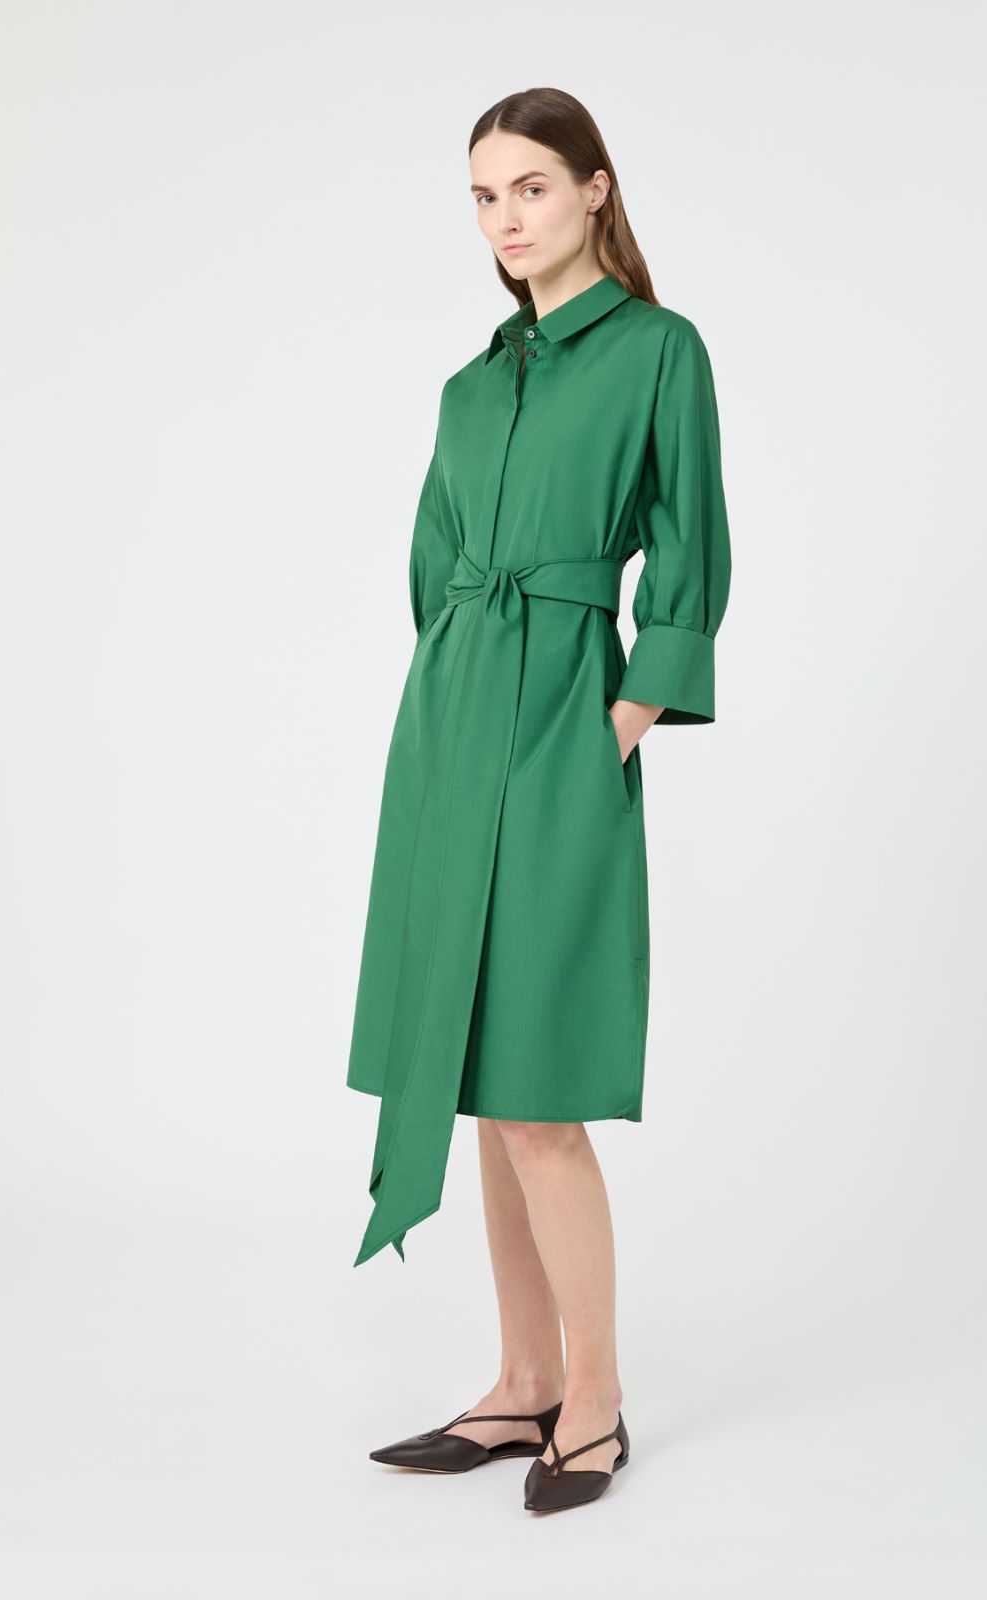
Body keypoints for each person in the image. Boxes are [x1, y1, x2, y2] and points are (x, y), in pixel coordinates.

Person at [346, 86, 732, 1513]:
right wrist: (451, 700)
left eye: (530, 188)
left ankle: (597, 1399)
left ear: (593, 189)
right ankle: (519, 1381)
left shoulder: (658, 351)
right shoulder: (469, 385)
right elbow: (431, 564)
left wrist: (629, 709)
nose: (506, 219)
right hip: (451, 728)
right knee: (481, 1078)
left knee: (544, 1089)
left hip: (568, 716)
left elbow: (691, 536)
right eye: (483, 196)